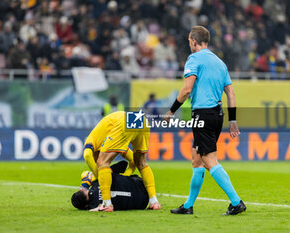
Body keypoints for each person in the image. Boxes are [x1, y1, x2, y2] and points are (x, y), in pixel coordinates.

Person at [165, 26, 246, 215]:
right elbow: (231, 93)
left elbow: (186, 90)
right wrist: (233, 120)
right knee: (197, 159)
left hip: (203, 114)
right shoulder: (220, 62)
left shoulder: (194, 59)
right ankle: (188, 206)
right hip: (217, 115)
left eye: (189, 42)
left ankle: (236, 202)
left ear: (194, 41)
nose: (189, 45)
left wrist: (171, 111)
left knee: (209, 160)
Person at [83, 111, 160, 212]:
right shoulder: (111, 140)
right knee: (141, 163)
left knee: (102, 163)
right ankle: (154, 201)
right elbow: (133, 161)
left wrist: (96, 177)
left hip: (124, 122)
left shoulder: (92, 140)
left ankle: (107, 204)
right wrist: (126, 174)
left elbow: (87, 155)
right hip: (141, 120)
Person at [71, 160, 149, 211]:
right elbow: (123, 164)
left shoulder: (95, 206)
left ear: (85, 206)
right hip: (143, 184)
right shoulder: (98, 180)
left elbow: (93, 209)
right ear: (83, 190)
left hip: (142, 204)